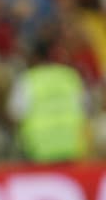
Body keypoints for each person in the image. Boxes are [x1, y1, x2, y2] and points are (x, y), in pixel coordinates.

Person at [6, 34, 89, 163]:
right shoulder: (71, 77)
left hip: (38, 152)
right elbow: (86, 109)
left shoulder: (28, 80)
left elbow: (14, 114)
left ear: (34, 57)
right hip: (72, 149)